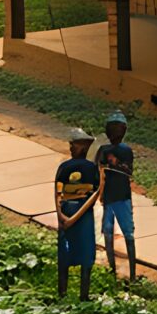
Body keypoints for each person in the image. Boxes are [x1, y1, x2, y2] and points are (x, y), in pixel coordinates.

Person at [55, 128, 103, 300]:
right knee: (64, 254)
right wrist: (61, 214)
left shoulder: (91, 169)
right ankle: (62, 293)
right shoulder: (64, 167)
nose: (71, 147)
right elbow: (58, 192)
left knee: (86, 254)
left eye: (74, 144)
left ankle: (84, 295)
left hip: (81, 217)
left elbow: (94, 195)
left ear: (83, 147)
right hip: (67, 213)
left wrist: (72, 218)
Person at [96, 111, 138, 281]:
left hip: (122, 197)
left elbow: (129, 171)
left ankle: (133, 273)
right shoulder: (103, 150)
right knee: (107, 232)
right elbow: (98, 169)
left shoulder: (125, 150)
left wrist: (115, 163)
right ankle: (112, 269)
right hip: (109, 197)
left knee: (128, 234)